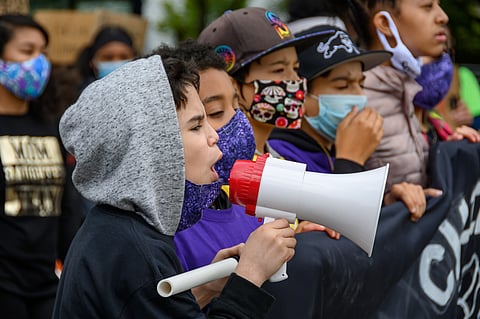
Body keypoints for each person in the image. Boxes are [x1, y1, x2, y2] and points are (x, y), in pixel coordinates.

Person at [52, 54, 297, 318]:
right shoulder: (138, 252)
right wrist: (251, 274)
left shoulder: (118, 228)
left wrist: (204, 289)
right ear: (153, 148)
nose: (214, 136)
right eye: (196, 126)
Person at [0, 14, 83, 319]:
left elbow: (66, 207)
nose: (38, 62)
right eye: (26, 51)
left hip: (46, 284)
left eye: (43, 52)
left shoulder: (49, 126)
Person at [197, 7, 334, 156]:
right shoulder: (223, 168)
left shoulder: (278, 160)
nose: (296, 80)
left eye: (295, 68)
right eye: (279, 70)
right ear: (232, 85)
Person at [356, 0, 447, 220]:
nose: (443, 17)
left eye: (439, 5)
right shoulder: (356, 95)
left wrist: (452, 149)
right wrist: (388, 202)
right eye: (427, 7)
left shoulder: (405, 86)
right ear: (385, 24)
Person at [268, 25, 389, 174]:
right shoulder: (280, 157)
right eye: (342, 86)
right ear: (301, 94)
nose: (360, 96)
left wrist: (389, 197)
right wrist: (349, 162)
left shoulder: (333, 150)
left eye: (361, 84)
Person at [75, 25, 136, 92]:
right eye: (108, 58)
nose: (116, 62)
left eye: (124, 57)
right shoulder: (76, 96)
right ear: (92, 62)